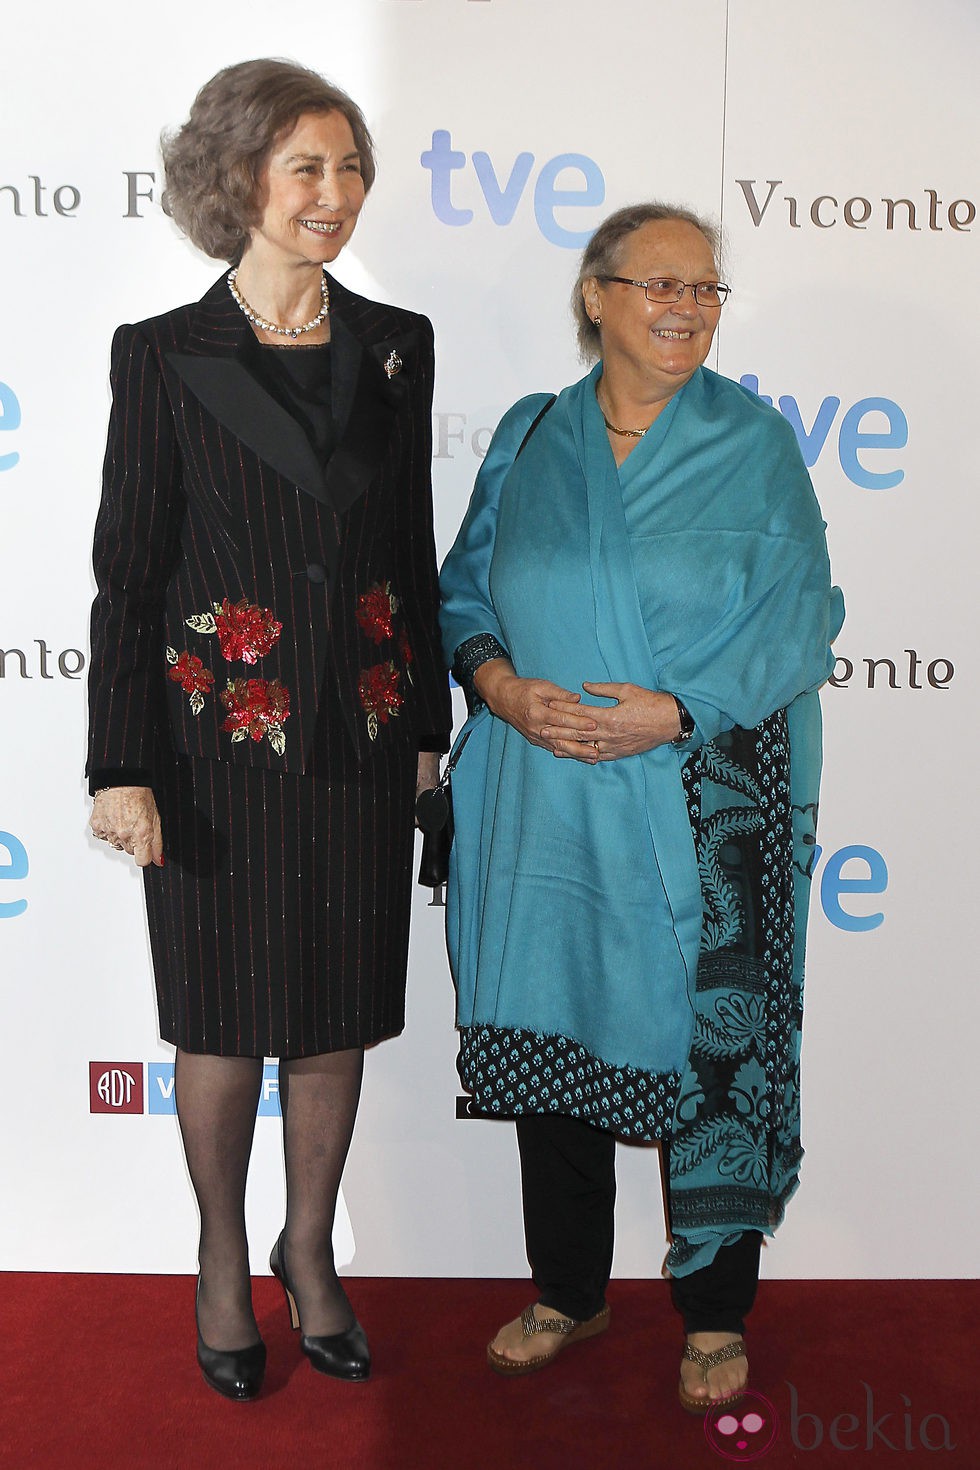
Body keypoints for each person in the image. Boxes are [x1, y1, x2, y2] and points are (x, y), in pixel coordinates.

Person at [86, 59, 450, 1401]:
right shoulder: (164, 355)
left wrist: (422, 726)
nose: (336, 193)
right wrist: (120, 764)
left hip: (355, 742)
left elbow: (406, 551)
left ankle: (310, 1246)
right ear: (241, 176)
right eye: (308, 166)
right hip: (216, 749)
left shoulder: (398, 343)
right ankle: (222, 1260)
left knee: (337, 1019)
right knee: (227, 1025)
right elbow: (131, 572)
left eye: (351, 166)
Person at [439, 202, 843, 1412]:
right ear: (595, 296)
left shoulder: (752, 443)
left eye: (707, 289)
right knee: (555, 1017)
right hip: (544, 796)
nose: (686, 307)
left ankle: (714, 1310)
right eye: (659, 282)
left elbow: (799, 619)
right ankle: (569, 1287)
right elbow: (463, 595)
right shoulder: (528, 436)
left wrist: (672, 713)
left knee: (707, 1047)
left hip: (700, 798)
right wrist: (502, 690)